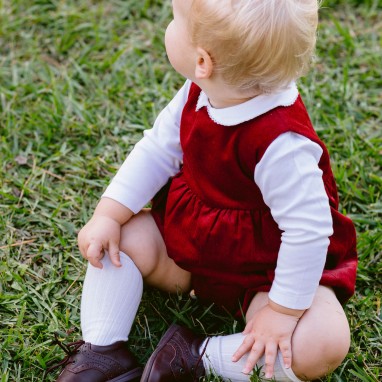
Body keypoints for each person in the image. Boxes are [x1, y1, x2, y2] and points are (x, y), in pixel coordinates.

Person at [49, 0, 358, 381]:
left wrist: (281, 311)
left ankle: (194, 357)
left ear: (202, 61)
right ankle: (101, 350)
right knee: (120, 237)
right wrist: (109, 213)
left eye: (174, 20)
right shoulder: (199, 91)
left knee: (322, 340)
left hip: (266, 273)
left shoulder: (282, 143)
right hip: (188, 249)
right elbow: (157, 149)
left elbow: (308, 231)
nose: (168, 25)